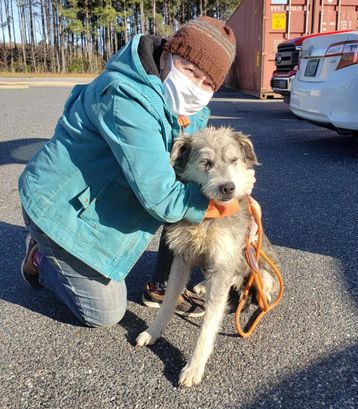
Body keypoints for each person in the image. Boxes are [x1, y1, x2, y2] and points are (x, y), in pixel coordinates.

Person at [19, 16, 256, 328]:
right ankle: (41, 255)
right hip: (59, 209)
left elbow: (190, 175)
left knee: (190, 190)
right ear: (168, 55)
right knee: (103, 314)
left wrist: (242, 198)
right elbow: (162, 197)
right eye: (190, 70)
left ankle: (160, 288)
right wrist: (231, 205)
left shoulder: (191, 110)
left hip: (104, 201)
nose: (196, 87)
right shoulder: (124, 96)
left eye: (208, 83)